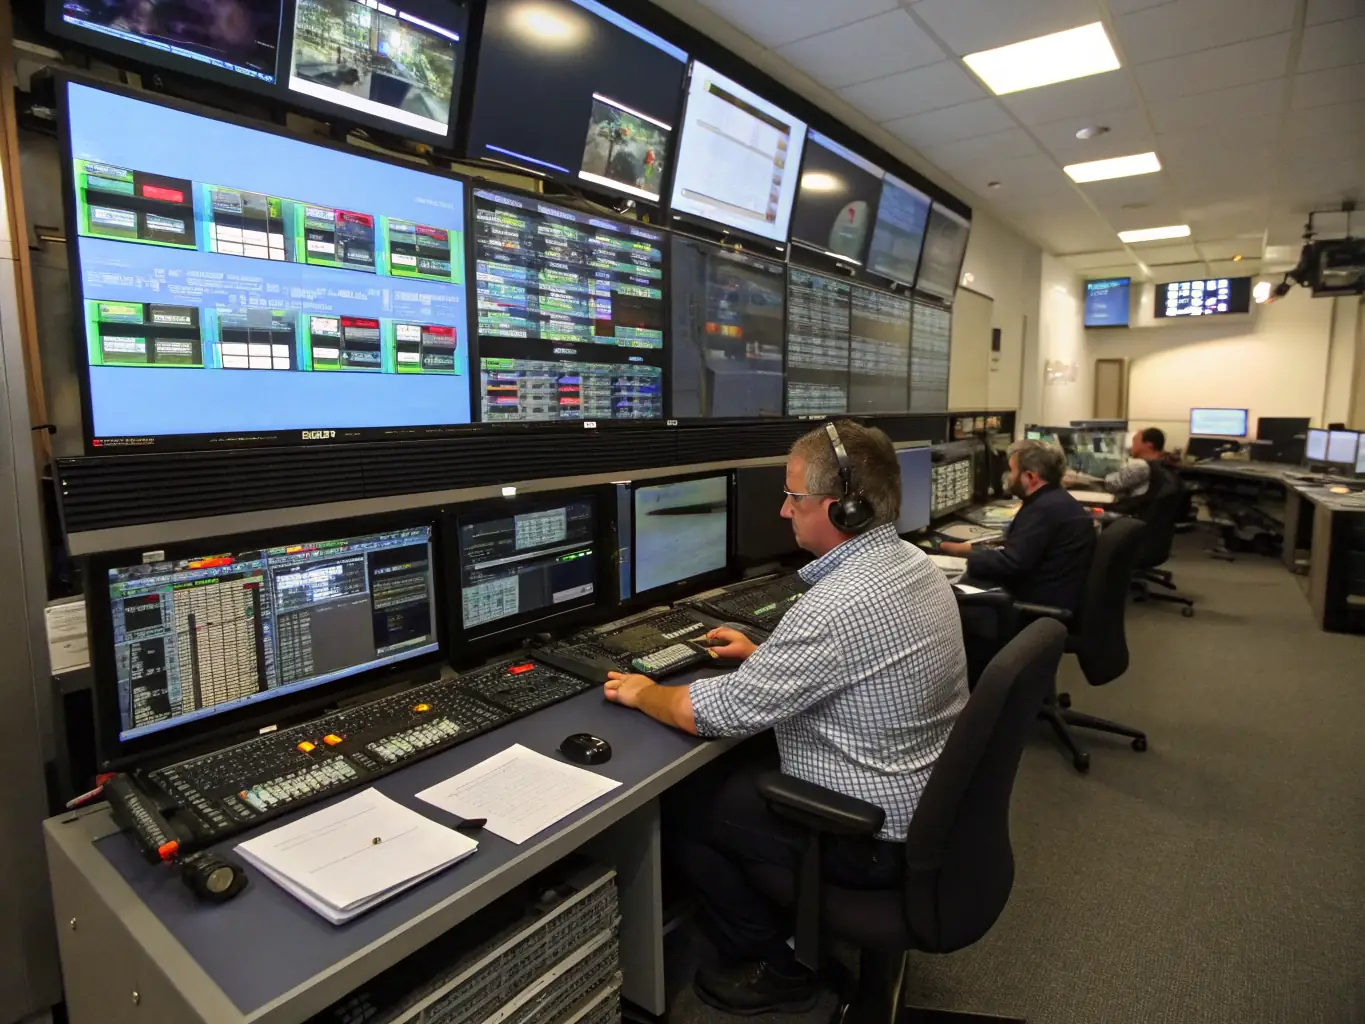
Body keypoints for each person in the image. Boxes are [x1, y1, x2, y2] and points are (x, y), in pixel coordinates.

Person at [602, 421, 969, 1015]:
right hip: (927, 803)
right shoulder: (912, 563)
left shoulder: (836, 604)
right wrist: (764, 655)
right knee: (740, 773)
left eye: (793, 497)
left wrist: (644, 692)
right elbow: (855, 659)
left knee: (686, 803)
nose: (782, 511)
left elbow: (714, 713)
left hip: (870, 835)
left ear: (840, 508)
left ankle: (775, 962)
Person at [942, 439, 1096, 683]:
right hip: (1056, 594)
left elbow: (1013, 564)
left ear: (1030, 477)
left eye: (1011, 470)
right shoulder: (1055, 501)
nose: (1007, 477)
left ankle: (977, 696)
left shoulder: (1044, 510)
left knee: (953, 605)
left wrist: (968, 558)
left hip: (1034, 607)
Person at [1067, 426, 1167, 514]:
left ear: (1149, 445)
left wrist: (1104, 469)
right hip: (1134, 511)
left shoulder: (1141, 466)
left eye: (1135, 441)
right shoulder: (1161, 464)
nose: (1131, 446)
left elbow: (1111, 485)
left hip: (1127, 513)